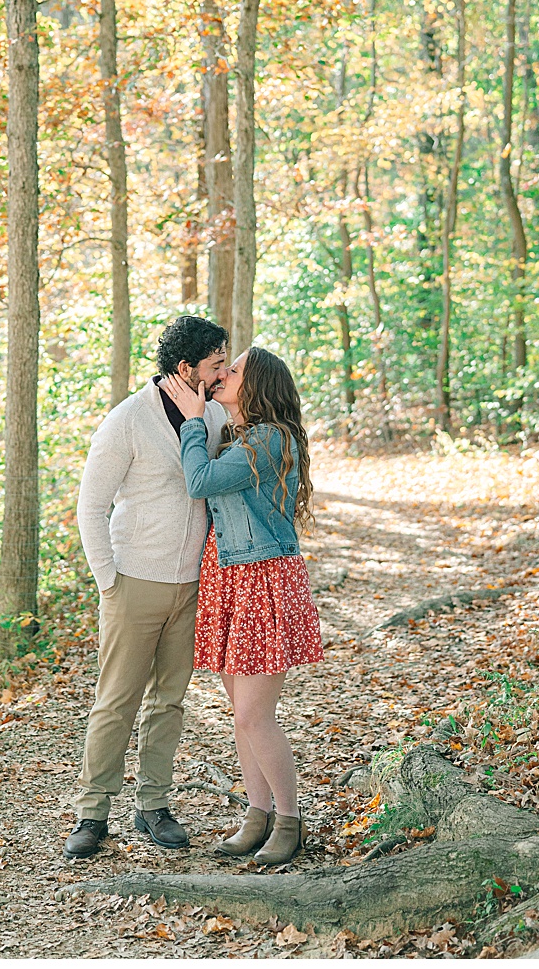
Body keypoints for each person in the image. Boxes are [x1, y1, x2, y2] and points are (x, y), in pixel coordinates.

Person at [67, 316, 229, 859]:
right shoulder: (128, 419)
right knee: (116, 702)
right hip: (133, 582)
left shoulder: (211, 416)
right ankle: (93, 812)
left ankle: (154, 806)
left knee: (169, 701)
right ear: (187, 369)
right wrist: (109, 581)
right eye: (215, 364)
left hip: (192, 586)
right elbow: (91, 505)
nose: (224, 372)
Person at [160, 345, 323, 866]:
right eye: (223, 368)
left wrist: (190, 422)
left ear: (259, 387)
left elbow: (199, 481)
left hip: (261, 579)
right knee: (242, 713)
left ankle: (290, 821)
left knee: (255, 715)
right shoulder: (241, 437)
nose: (224, 376)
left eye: (235, 371)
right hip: (231, 577)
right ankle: (257, 815)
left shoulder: (271, 439)